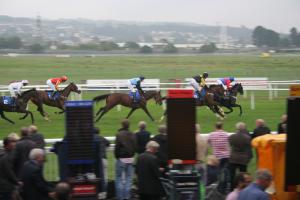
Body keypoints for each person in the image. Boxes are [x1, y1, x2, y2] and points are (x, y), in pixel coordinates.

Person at [114, 119, 137, 200]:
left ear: (122, 125)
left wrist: (117, 157)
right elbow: (135, 146)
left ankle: (120, 197)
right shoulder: (133, 134)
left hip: (121, 158)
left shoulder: (119, 134)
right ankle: (127, 197)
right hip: (130, 158)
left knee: (119, 178)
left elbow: (117, 148)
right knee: (129, 178)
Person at [228, 122, 252, 190]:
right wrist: (249, 158)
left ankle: (232, 189)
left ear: (237, 128)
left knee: (232, 175)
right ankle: (243, 189)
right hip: (243, 159)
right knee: (243, 176)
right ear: (244, 128)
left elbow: (230, 145)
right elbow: (249, 149)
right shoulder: (247, 138)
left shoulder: (232, 137)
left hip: (233, 158)